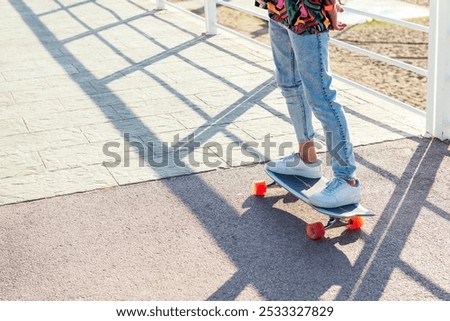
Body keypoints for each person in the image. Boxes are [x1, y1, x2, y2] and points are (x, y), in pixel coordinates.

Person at [255, 0, 361, 208]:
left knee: (322, 97)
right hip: (279, 9)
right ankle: (307, 158)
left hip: (308, 15)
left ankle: (347, 179)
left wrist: (331, 7)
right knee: (289, 84)